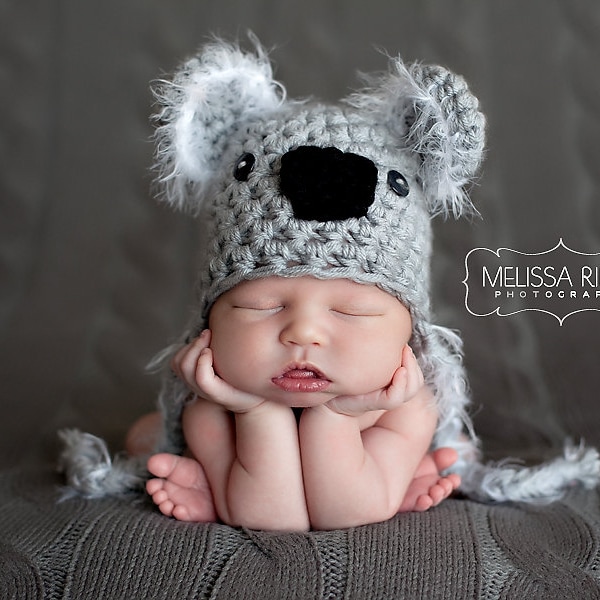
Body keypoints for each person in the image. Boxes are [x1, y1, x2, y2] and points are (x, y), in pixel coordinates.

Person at [128, 276, 461, 531]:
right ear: (207, 330)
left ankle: (398, 474)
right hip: (243, 465)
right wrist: (255, 411)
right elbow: (272, 518)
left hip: (367, 467)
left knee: (452, 452)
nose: (303, 332)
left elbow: (346, 512)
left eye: (353, 311)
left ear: (411, 340)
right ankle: (214, 486)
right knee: (142, 438)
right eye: (260, 305)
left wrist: (337, 416)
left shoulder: (407, 409)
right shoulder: (210, 408)